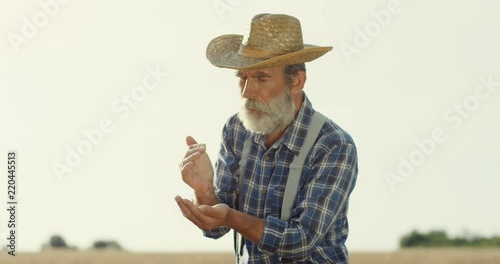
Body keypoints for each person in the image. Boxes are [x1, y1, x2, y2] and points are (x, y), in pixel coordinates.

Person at [175, 13, 358, 264]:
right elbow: (217, 228)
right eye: (243, 77)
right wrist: (205, 190)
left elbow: (300, 241)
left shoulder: (333, 145)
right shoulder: (236, 129)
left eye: (261, 77)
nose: (247, 91)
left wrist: (230, 216)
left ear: (296, 81)